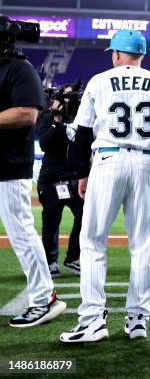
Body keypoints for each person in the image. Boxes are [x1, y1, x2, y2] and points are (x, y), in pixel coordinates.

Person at [59, 29, 150, 343]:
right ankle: (138, 320)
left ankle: (93, 319)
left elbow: (82, 135)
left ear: (117, 54)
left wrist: (82, 172)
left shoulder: (99, 81)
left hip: (108, 161)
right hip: (148, 162)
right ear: (142, 55)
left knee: (93, 243)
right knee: (144, 247)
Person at [0, 24, 67, 327]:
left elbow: (27, 113)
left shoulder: (19, 68)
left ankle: (44, 298)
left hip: (9, 166)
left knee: (21, 233)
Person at [36, 84, 84, 277]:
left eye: (72, 96)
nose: (69, 99)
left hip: (74, 178)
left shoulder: (81, 118)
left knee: (85, 215)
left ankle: (73, 258)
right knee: (51, 222)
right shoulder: (48, 118)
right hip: (51, 179)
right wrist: (56, 119)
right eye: (65, 95)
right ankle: (49, 262)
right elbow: (45, 144)